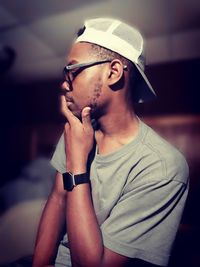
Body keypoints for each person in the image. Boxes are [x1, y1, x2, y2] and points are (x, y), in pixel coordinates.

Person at [32, 17, 189, 267]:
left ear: (113, 72)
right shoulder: (77, 129)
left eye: (72, 70)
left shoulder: (163, 167)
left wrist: (77, 164)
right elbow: (57, 199)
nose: (64, 83)